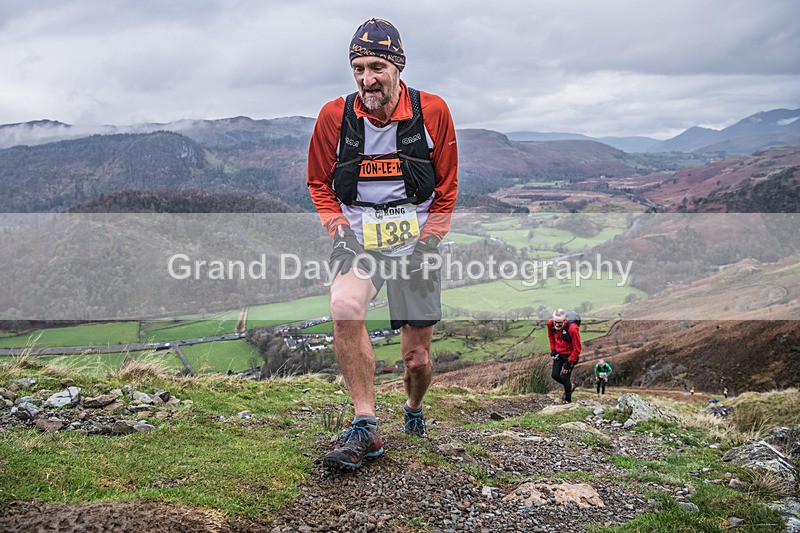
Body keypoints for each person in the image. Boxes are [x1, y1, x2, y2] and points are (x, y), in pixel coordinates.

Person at [307, 18, 458, 470]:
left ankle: (413, 409)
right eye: (357, 68)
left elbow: (447, 190)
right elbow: (319, 183)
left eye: (376, 66)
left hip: (416, 246)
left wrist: (429, 242)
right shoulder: (335, 117)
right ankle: (365, 424)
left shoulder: (432, 112)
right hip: (361, 243)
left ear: (398, 66)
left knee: (417, 358)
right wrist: (340, 233)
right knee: (344, 306)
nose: (366, 79)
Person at [547, 309, 582, 403]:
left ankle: (567, 399)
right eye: (555, 322)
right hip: (559, 353)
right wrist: (553, 350)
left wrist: (569, 362)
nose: (557, 325)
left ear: (565, 320)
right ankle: (570, 386)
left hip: (570, 356)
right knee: (554, 375)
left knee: (564, 377)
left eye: (559, 323)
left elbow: (577, 349)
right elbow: (551, 337)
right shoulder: (550, 324)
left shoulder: (572, 329)